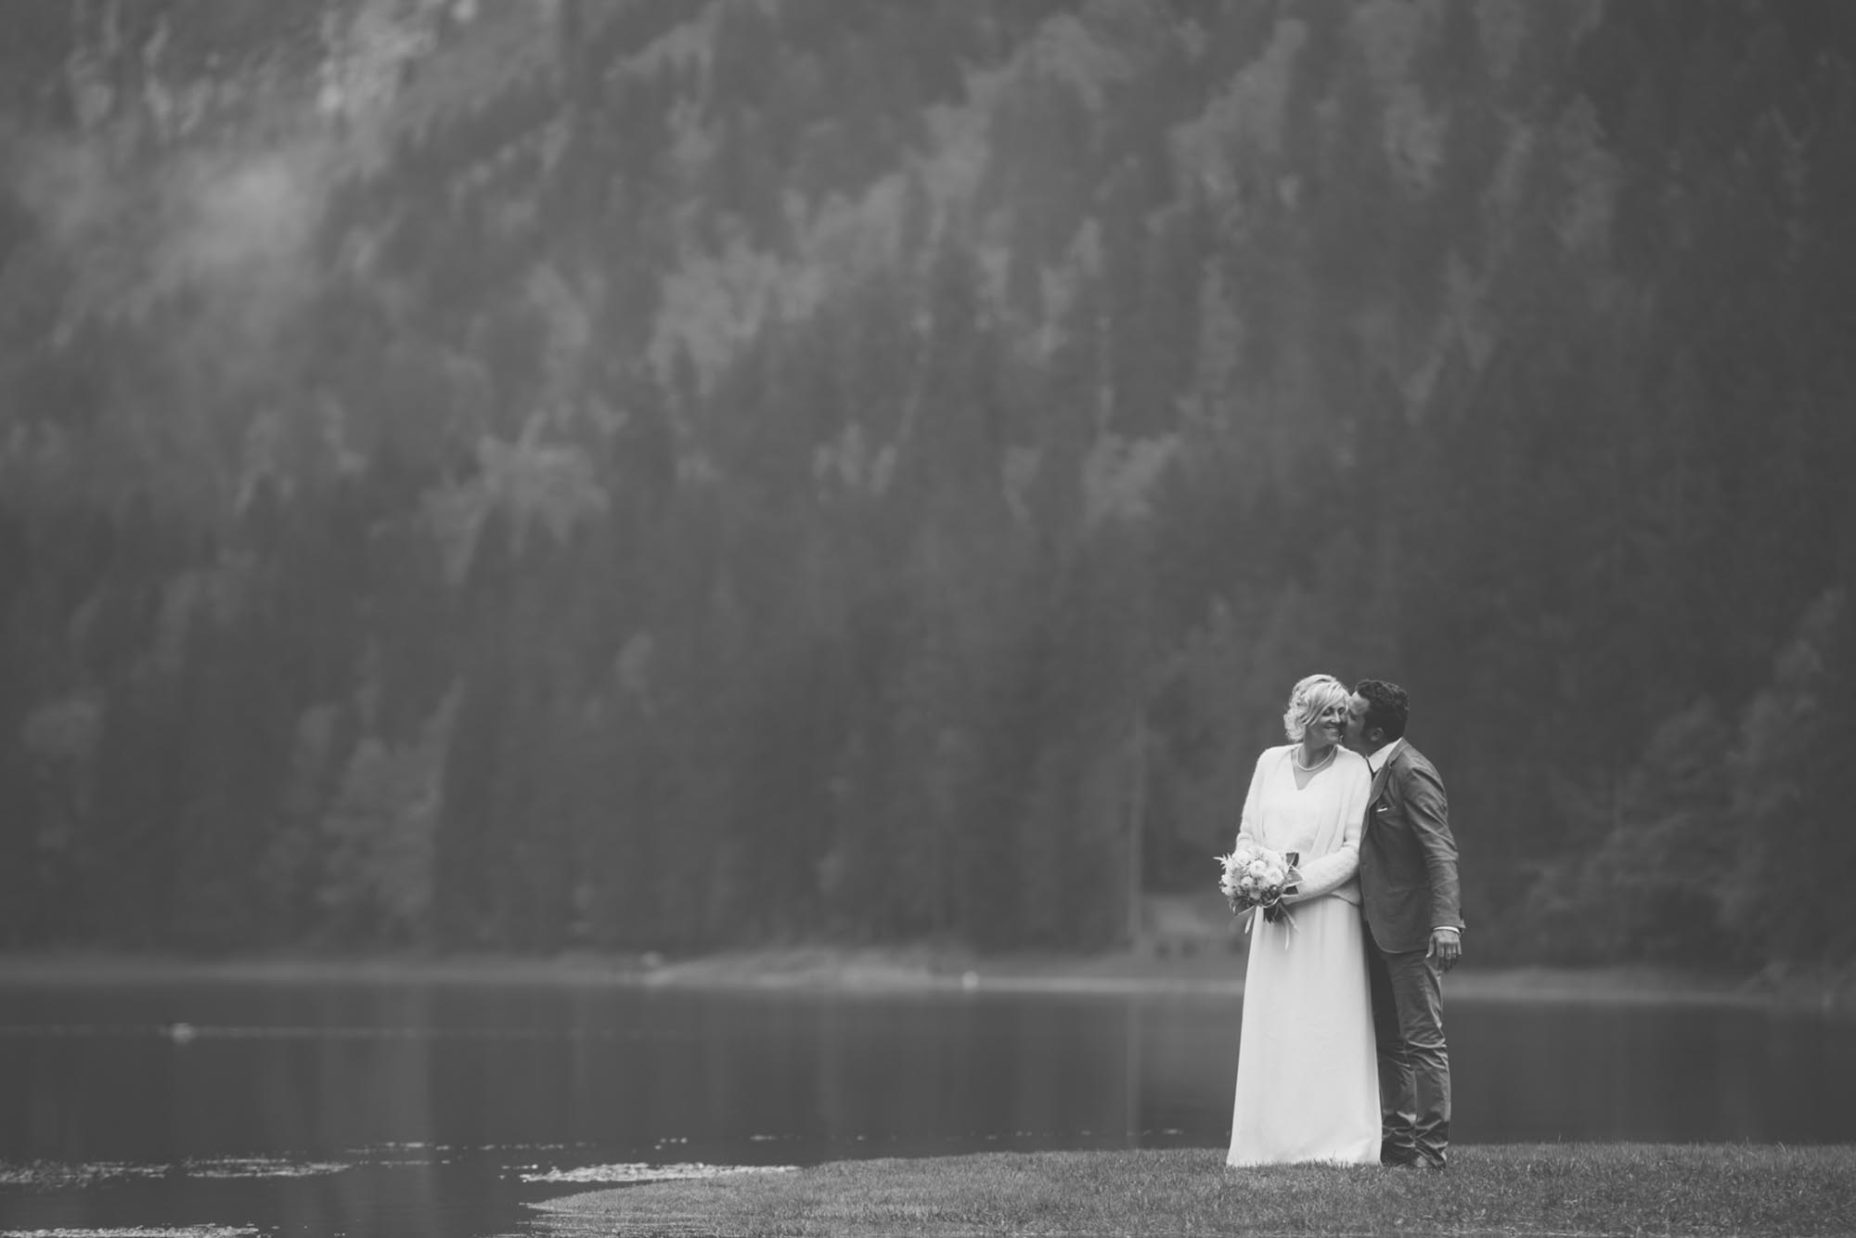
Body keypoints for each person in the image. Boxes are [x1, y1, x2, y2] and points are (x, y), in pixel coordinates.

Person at [1226, 674, 1380, 1167]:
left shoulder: (1355, 769)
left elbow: (1354, 852)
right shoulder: (1269, 762)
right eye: (1330, 712)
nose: (1340, 721)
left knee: (1323, 1026)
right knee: (1276, 1025)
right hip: (1270, 921)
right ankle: (1265, 1144)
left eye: (1343, 713)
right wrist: (1251, 875)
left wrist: (1287, 886)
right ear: (1304, 717)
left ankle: (1333, 1143)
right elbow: (1249, 833)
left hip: (1328, 919)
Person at [1344, 679, 1462, 1171]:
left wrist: (1447, 924)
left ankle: (1432, 1155)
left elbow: (1441, 851)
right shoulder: (1364, 769)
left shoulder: (1411, 772)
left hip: (1413, 931)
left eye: (1350, 714)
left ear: (1372, 731)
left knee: (1423, 1042)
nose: (1340, 719)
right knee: (1389, 1043)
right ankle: (1398, 1148)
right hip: (1373, 929)